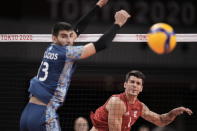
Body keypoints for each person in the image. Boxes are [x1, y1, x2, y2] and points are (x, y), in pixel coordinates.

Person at [19, 0, 131, 130]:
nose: (68, 40)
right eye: (63, 36)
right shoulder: (66, 52)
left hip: (27, 112)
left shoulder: (51, 48)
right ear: (54, 38)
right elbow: (101, 44)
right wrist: (118, 24)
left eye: (69, 36)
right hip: (44, 114)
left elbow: (77, 29)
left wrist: (98, 6)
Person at [90, 70, 193, 131]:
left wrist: (172, 113)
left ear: (141, 88)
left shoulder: (140, 107)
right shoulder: (117, 102)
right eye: (132, 82)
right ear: (125, 84)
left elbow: (160, 121)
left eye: (138, 83)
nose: (135, 85)